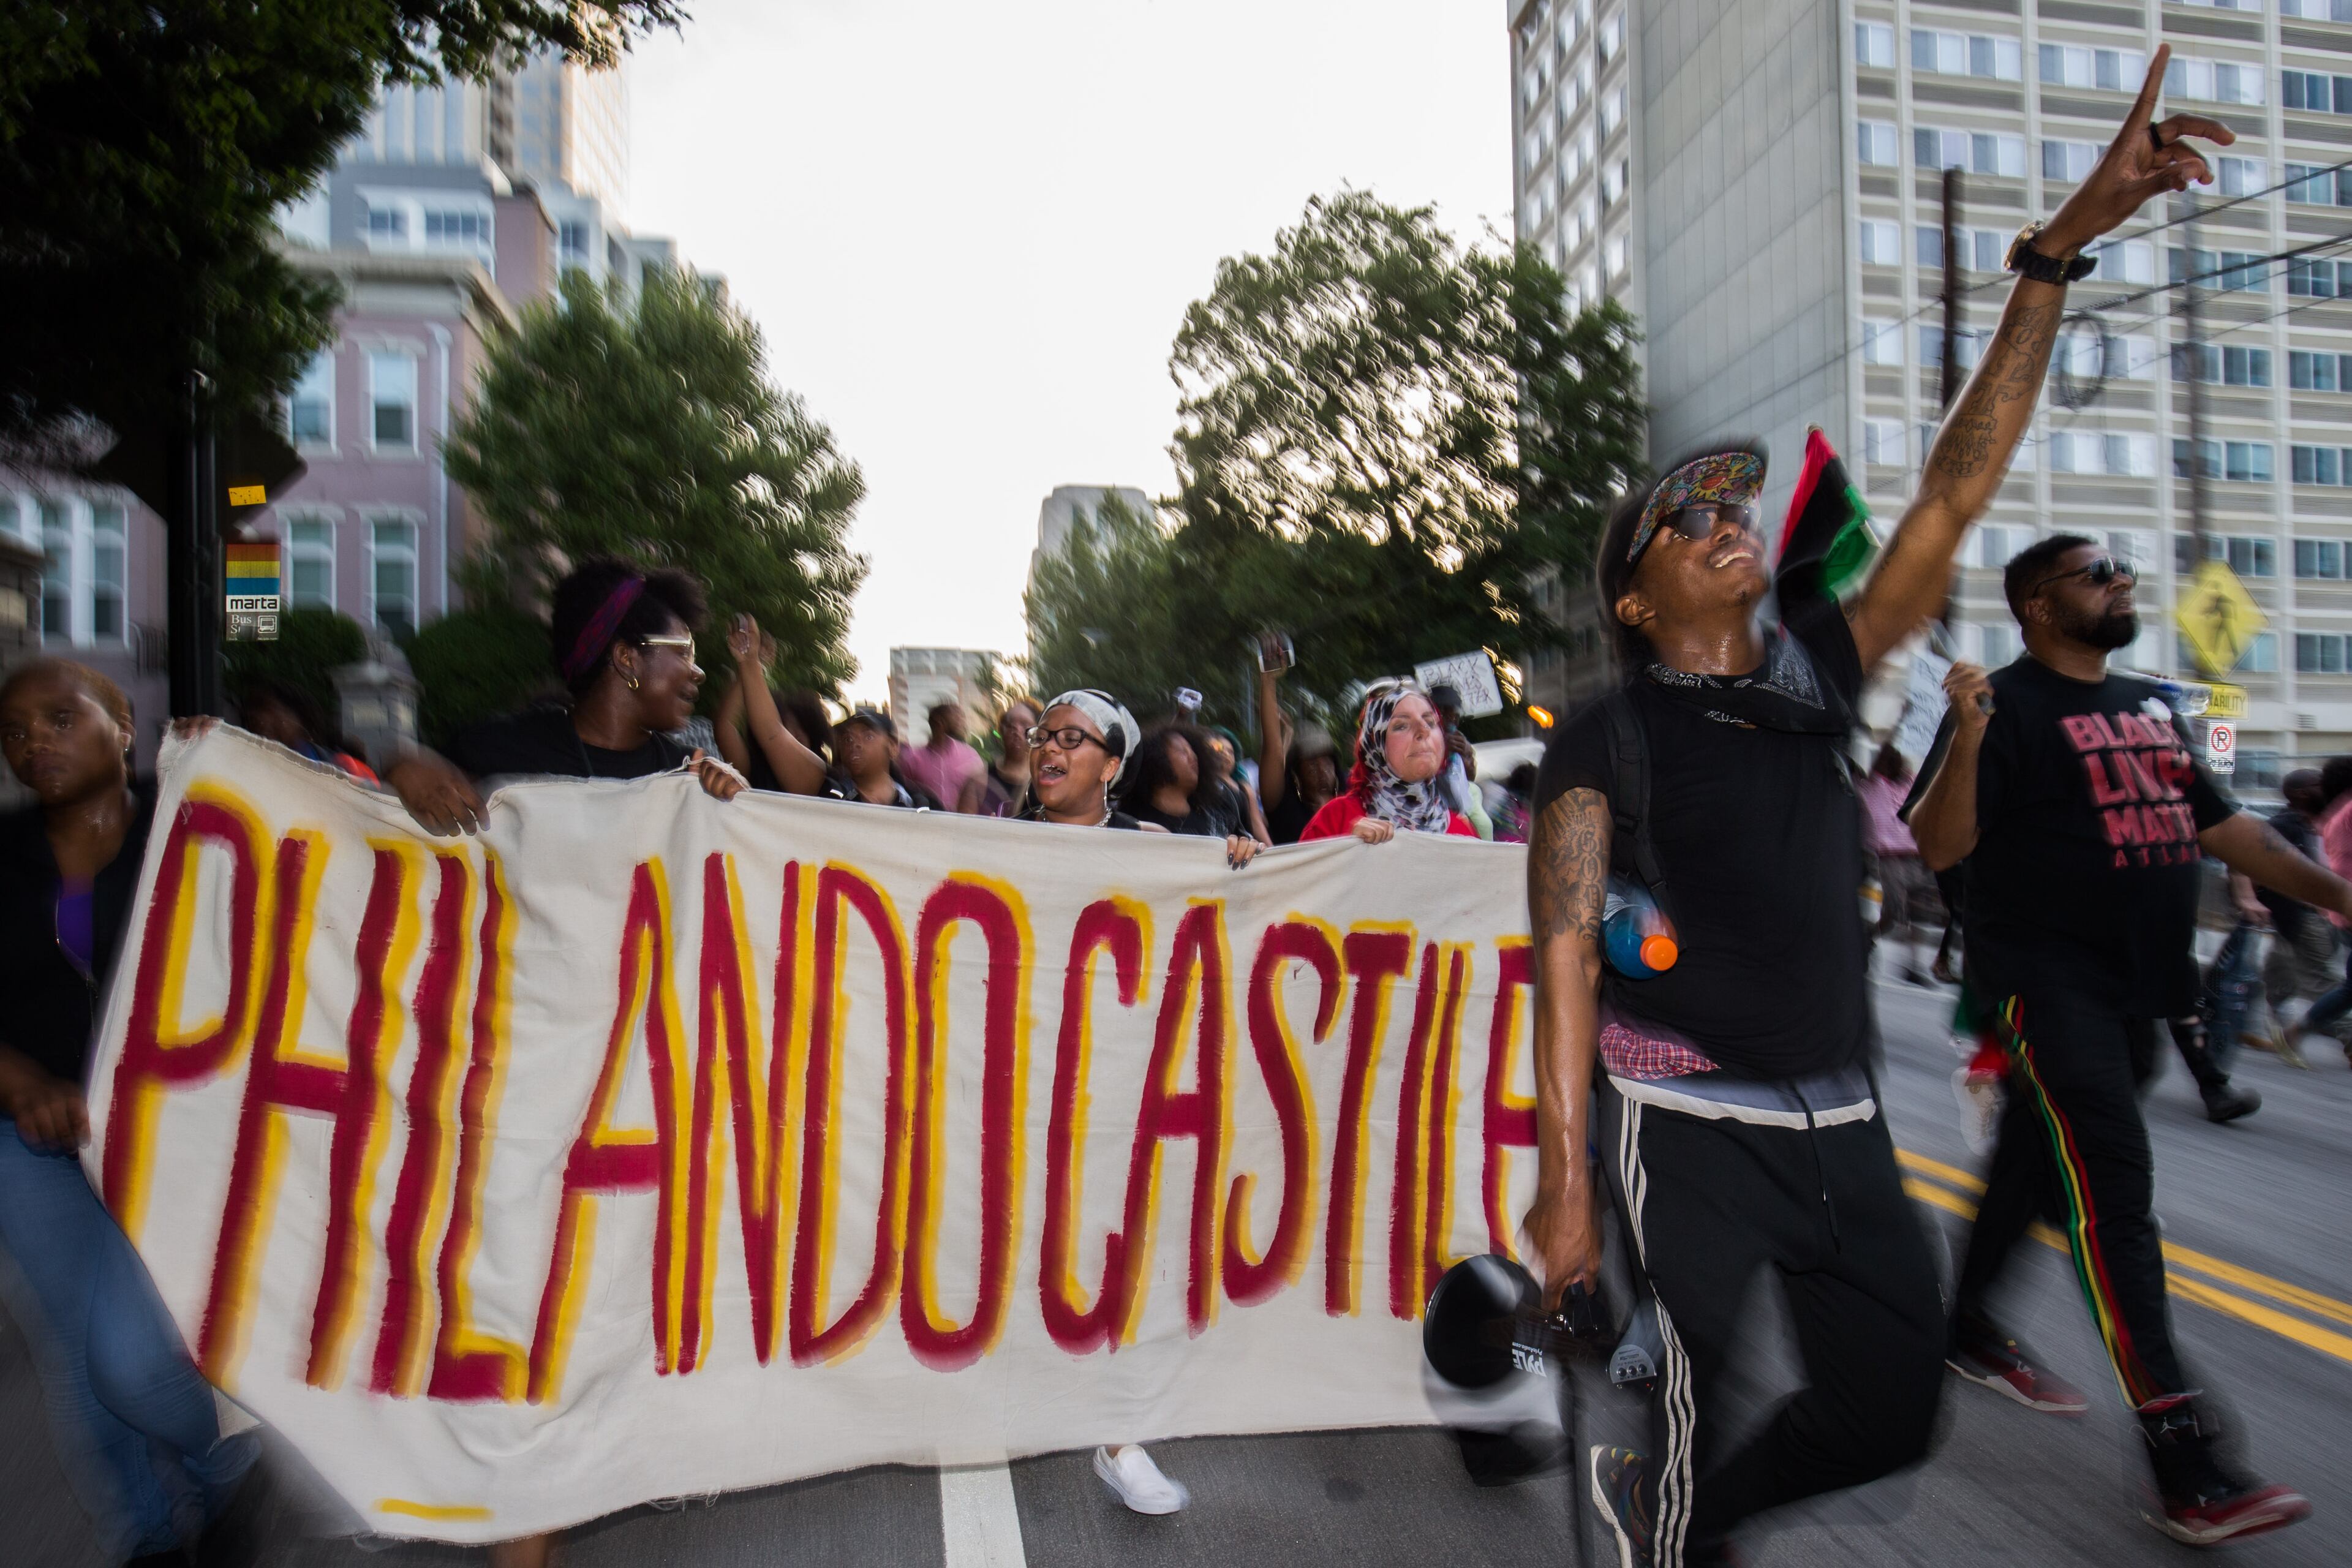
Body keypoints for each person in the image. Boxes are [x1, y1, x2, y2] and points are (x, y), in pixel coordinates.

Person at [1521, 63, 2219, 1567]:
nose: (1730, 524)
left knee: (1890, 1407)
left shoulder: (1813, 671)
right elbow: (1565, 955)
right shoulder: (1603, 732)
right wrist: (1565, 1180)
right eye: (1691, 521)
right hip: (1685, 1127)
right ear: (1637, 597)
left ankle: (1688, 1525)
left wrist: (2054, 250)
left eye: (1734, 510)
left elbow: (1950, 503)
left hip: (1843, 1119)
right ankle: (1671, 1536)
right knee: (1696, 1406)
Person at [1909, 531, 2347, 1544]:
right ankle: (2186, 1456)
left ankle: (1964, 1322)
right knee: (2113, 1192)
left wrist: (2333, 894)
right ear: (2036, 604)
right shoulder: (1999, 709)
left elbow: (2222, 825)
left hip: (2136, 990)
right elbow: (1939, 842)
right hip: (2043, 986)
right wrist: (1968, 736)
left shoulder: (2148, 704)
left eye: (2123, 572)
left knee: (2033, 1157)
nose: (2122, 584)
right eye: (2098, 574)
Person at [382, 558, 741, 1568]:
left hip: (637, 1108)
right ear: (627, 661)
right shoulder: (498, 754)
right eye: (682, 658)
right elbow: (355, 828)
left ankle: (582, 1473)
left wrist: (738, 809)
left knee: (607, 1308)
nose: (695, 678)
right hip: (512, 1094)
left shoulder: (689, 777)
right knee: (522, 1310)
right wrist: (397, 759)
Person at [0, 661, 262, 1566]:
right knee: (76, 1355)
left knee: (136, 1361)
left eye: (61, 717)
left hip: (176, 1132)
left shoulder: (200, 818)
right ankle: (149, 1530)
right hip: (29, 1142)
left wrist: (414, 762)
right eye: (16, 732)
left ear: (124, 725)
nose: (35, 741)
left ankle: (232, 1468)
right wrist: (18, 1079)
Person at [1015, 689, 1248, 1518]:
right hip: (1007, 1094)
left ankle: (1118, 1441)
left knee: (1117, 1263)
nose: (1050, 747)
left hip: (1113, 1097)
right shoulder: (979, 844)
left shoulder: (1156, 852)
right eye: (1044, 734)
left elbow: (1245, 918)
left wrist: (1254, 862)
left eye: (1073, 738)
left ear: (1112, 766)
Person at [1298, 680, 1479, 843]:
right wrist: (1347, 849)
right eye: (1401, 726)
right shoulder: (1335, 820)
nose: (1423, 731)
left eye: (1430, 722)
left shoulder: (1461, 833)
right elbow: (1300, 878)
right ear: (1375, 745)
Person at [2245, 766, 2338, 1066]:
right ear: (2300, 793)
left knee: (2279, 970)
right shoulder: (2282, 826)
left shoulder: (2318, 824)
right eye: (2318, 785)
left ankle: (2256, 1021)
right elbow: (2252, 865)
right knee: (2324, 979)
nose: (2325, 789)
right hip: (2300, 913)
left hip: (2318, 914)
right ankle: (2348, 1037)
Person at [715, 616, 831, 794]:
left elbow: (771, 732)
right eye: (785, 729)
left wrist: (750, 661)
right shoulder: (752, 771)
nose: (786, 741)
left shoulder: (817, 774)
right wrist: (747, 664)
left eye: (797, 738)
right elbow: (725, 726)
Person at [1860, 742, 1937, 986]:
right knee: (1894, 911)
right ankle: (1866, 936)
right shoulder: (1871, 785)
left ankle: (1913, 966)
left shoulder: (1911, 782)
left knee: (1919, 915)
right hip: (1888, 858)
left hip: (1917, 856)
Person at [1253, 662, 1338, 845]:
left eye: (1327, 762)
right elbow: (1272, 748)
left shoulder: (1350, 803)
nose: (1322, 770)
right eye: (1312, 765)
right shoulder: (1283, 806)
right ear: (1296, 775)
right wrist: (1268, 680)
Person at [235, 676, 378, 781]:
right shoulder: (246, 771)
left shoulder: (346, 769)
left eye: (269, 708)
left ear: (301, 720)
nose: (260, 719)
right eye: (253, 713)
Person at [821, 707, 938, 810]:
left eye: (868, 737)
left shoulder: (922, 804)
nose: (855, 744)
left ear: (893, 747)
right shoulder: (829, 798)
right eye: (848, 739)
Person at [1426, 683, 1494, 840]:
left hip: (1460, 802)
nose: (1451, 720)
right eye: (1445, 714)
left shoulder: (1460, 740)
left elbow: (1470, 777)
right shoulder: (1423, 738)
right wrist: (1442, 752)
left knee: (1484, 824)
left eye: (1455, 715)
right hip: (1436, 805)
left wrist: (1466, 757)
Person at [896, 701, 984, 814]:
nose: (962, 721)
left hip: (962, 826)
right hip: (926, 826)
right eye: (956, 717)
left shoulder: (971, 756)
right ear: (939, 722)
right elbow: (903, 794)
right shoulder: (912, 759)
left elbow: (982, 796)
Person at [1197, 725, 1272, 845]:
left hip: (1242, 848)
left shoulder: (1244, 789)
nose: (1225, 754)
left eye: (1230, 752)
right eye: (1219, 748)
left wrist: (1272, 851)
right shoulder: (1200, 783)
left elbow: (1256, 823)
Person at [971, 696, 1039, 817]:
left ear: (1037, 732)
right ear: (1001, 731)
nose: (1017, 731)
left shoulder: (1047, 782)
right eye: (1010, 725)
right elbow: (962, 830)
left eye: (1025, 725)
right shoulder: (978, 782)